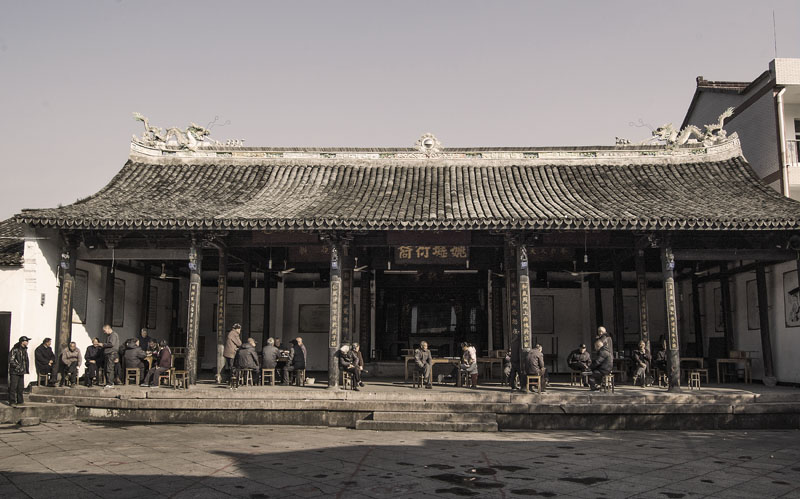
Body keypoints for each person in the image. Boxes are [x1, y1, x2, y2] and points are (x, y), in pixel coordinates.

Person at [8, 336, 30, 407]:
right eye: (26, 341)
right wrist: (18, 367)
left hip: (21, 371)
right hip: (15, 371)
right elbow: (11, 360)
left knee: (20, 387)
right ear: (22, 342)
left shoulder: (24, 350)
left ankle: (20, 401)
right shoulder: (15, 349)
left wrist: (24, 369)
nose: (27, 342)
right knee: (13, 387)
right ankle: (12, 401)